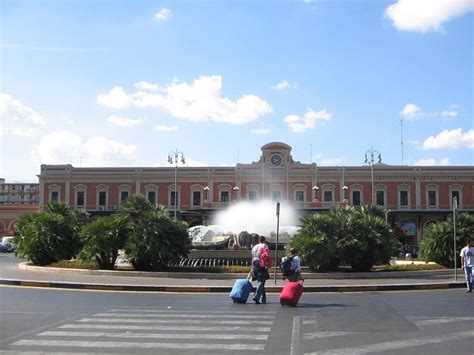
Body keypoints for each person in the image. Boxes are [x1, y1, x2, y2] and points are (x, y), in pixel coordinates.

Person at [251, 236, 271, 304]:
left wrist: (252, 268)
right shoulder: (265, 245)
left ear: (259, 240)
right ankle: (256, 296)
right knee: (262, 280)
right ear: (264, 240)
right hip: (261, 263)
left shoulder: (254, 247)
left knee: (260, 280)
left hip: (255, 263)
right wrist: (267, 265)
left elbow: (252, 258)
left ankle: (263, 298)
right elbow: (267, 256)